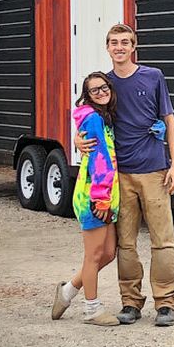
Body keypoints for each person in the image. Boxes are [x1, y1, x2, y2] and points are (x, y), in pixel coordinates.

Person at [77, 23, 174, 327]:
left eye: (125, 42)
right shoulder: (103, 86)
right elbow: (83, 117)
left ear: (134, 47)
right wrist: (76, 140)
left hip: (155, 170)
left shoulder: (153, 77)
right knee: (126, 243)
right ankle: (130, 302)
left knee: (163, 240)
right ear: (107, 48)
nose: (120, 47)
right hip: (119, 175)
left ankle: (165, 303)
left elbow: (170, 120)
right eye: (114, 42)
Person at [51, 72, 120, 326]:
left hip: (107, 194)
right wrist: (101, 199)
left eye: (104, 87)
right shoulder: (92, 119)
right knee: (93, 255)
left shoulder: (104, 118)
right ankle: (92, 309)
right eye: (94, 90)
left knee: (109, 253)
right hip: (94, 194)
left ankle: (67, 291)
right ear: (87, 96)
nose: (101, 92)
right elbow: (100, 161)